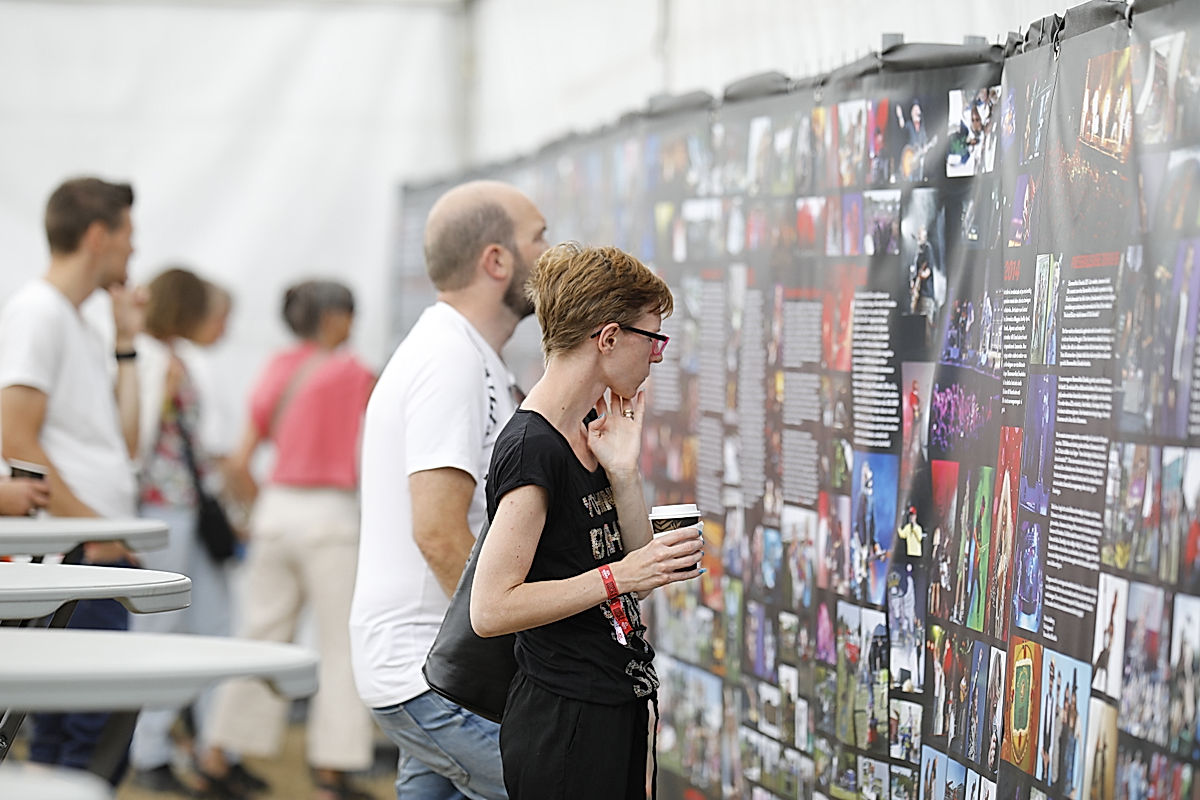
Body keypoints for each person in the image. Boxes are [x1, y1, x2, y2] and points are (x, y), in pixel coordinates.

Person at [470, 242, 705, 798]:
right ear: (608, 338)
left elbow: (638, 577)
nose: (659, 356)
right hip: (563, 719)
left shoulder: (591, 430)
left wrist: (623, 473)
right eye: (653, 337)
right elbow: (492, 607)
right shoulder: (534, 447)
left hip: (606, 700)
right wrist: (618, 578)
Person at [349, 179, 548, 799]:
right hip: (431, 675)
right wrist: (519, 655)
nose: (552, 251)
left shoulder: (467, 353)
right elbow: (437, 531)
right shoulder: (448, 359)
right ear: (496, 259)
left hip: (437, 669)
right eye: (539, 237)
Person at [200, 280, 376, 800]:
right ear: (330, 319)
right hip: (331, 515)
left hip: (275, 510)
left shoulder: (277, 367)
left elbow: (238, 460)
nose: (352, 323)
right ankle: (331, 772)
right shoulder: (355, 371)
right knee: (340, 645)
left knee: (261, 637)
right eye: (348, 313)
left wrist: (259, 509)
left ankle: (216, 757)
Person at [0, 176, 143, 782]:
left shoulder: (76, 319)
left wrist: (128, 341)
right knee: (88, 737)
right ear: (96, 236)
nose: (133, 252)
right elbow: (14, 435)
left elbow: (122, 443)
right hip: (74, 557)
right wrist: (97, 532)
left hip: (89, 551)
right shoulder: (38, 313)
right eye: (128, 237)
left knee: (75, 735)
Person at [126, 267, 239, 794]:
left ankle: (203, 745)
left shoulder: (167, 358)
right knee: (163, 628)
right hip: (161, 508)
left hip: (182, 507)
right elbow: (140, 441)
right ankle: (148, 749)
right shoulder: (151, 359)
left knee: (211, 624)